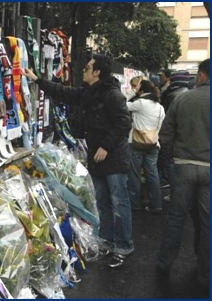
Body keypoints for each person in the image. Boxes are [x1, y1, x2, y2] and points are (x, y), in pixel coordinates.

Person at [22, 54, 133, 268]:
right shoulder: (88, 93)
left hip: (113, 158)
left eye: (88, 67)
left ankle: (123, 247)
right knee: (102, 202)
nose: (83, 69)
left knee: (119, 202)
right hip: (97, 157)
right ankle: (108, 242)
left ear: (97, 72)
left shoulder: (112, 95)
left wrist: (105, 147)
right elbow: (63, 93)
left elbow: (124, 123)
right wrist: (37, 80)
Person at [156, 58, 210, 289]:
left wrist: (171, 157)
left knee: (176, 217)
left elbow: (165, 134)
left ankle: (164, 264)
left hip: (183, 165)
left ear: (201, 76)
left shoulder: (183, 99)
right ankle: (206, 274)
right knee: (208, 223)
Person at [126, 79, 165, 213]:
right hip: (153, 144)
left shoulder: (140, 103)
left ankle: (135, 204)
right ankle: (157, 204)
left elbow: (121, 103)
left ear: (141, 89)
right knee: (152, 174)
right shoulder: (160, 107)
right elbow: (159, 127)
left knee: (134, 174)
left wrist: (133, 92)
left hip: (136, 143)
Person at [157, 70, 189, 199]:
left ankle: (175, 194)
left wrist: (165, 141)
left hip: (173, 138)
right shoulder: (188, 94)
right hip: (186, 139)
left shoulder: (171, 95)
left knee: (170, 164)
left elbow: (167, 121)